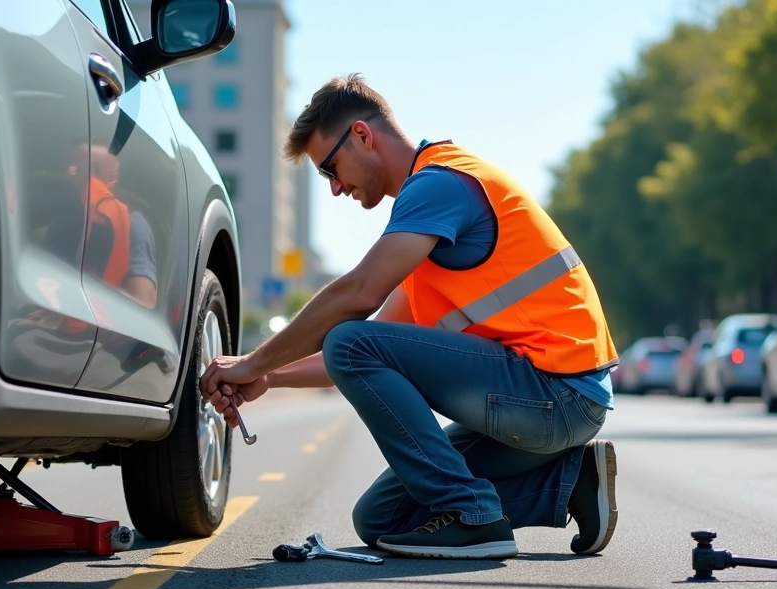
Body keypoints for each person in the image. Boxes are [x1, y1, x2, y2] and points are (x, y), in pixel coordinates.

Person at [199, 73, 620, 560]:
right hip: (546, 404)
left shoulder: (442, 184)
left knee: (349, 340)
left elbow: (359, 300)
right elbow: (373, 345)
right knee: (381, 519)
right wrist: (268, 375)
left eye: (331, 168)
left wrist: (250, 361)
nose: (335, 188)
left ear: (362, 135)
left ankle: (473, 517)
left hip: (558, 396)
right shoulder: (424, 229)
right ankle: (569, 484)